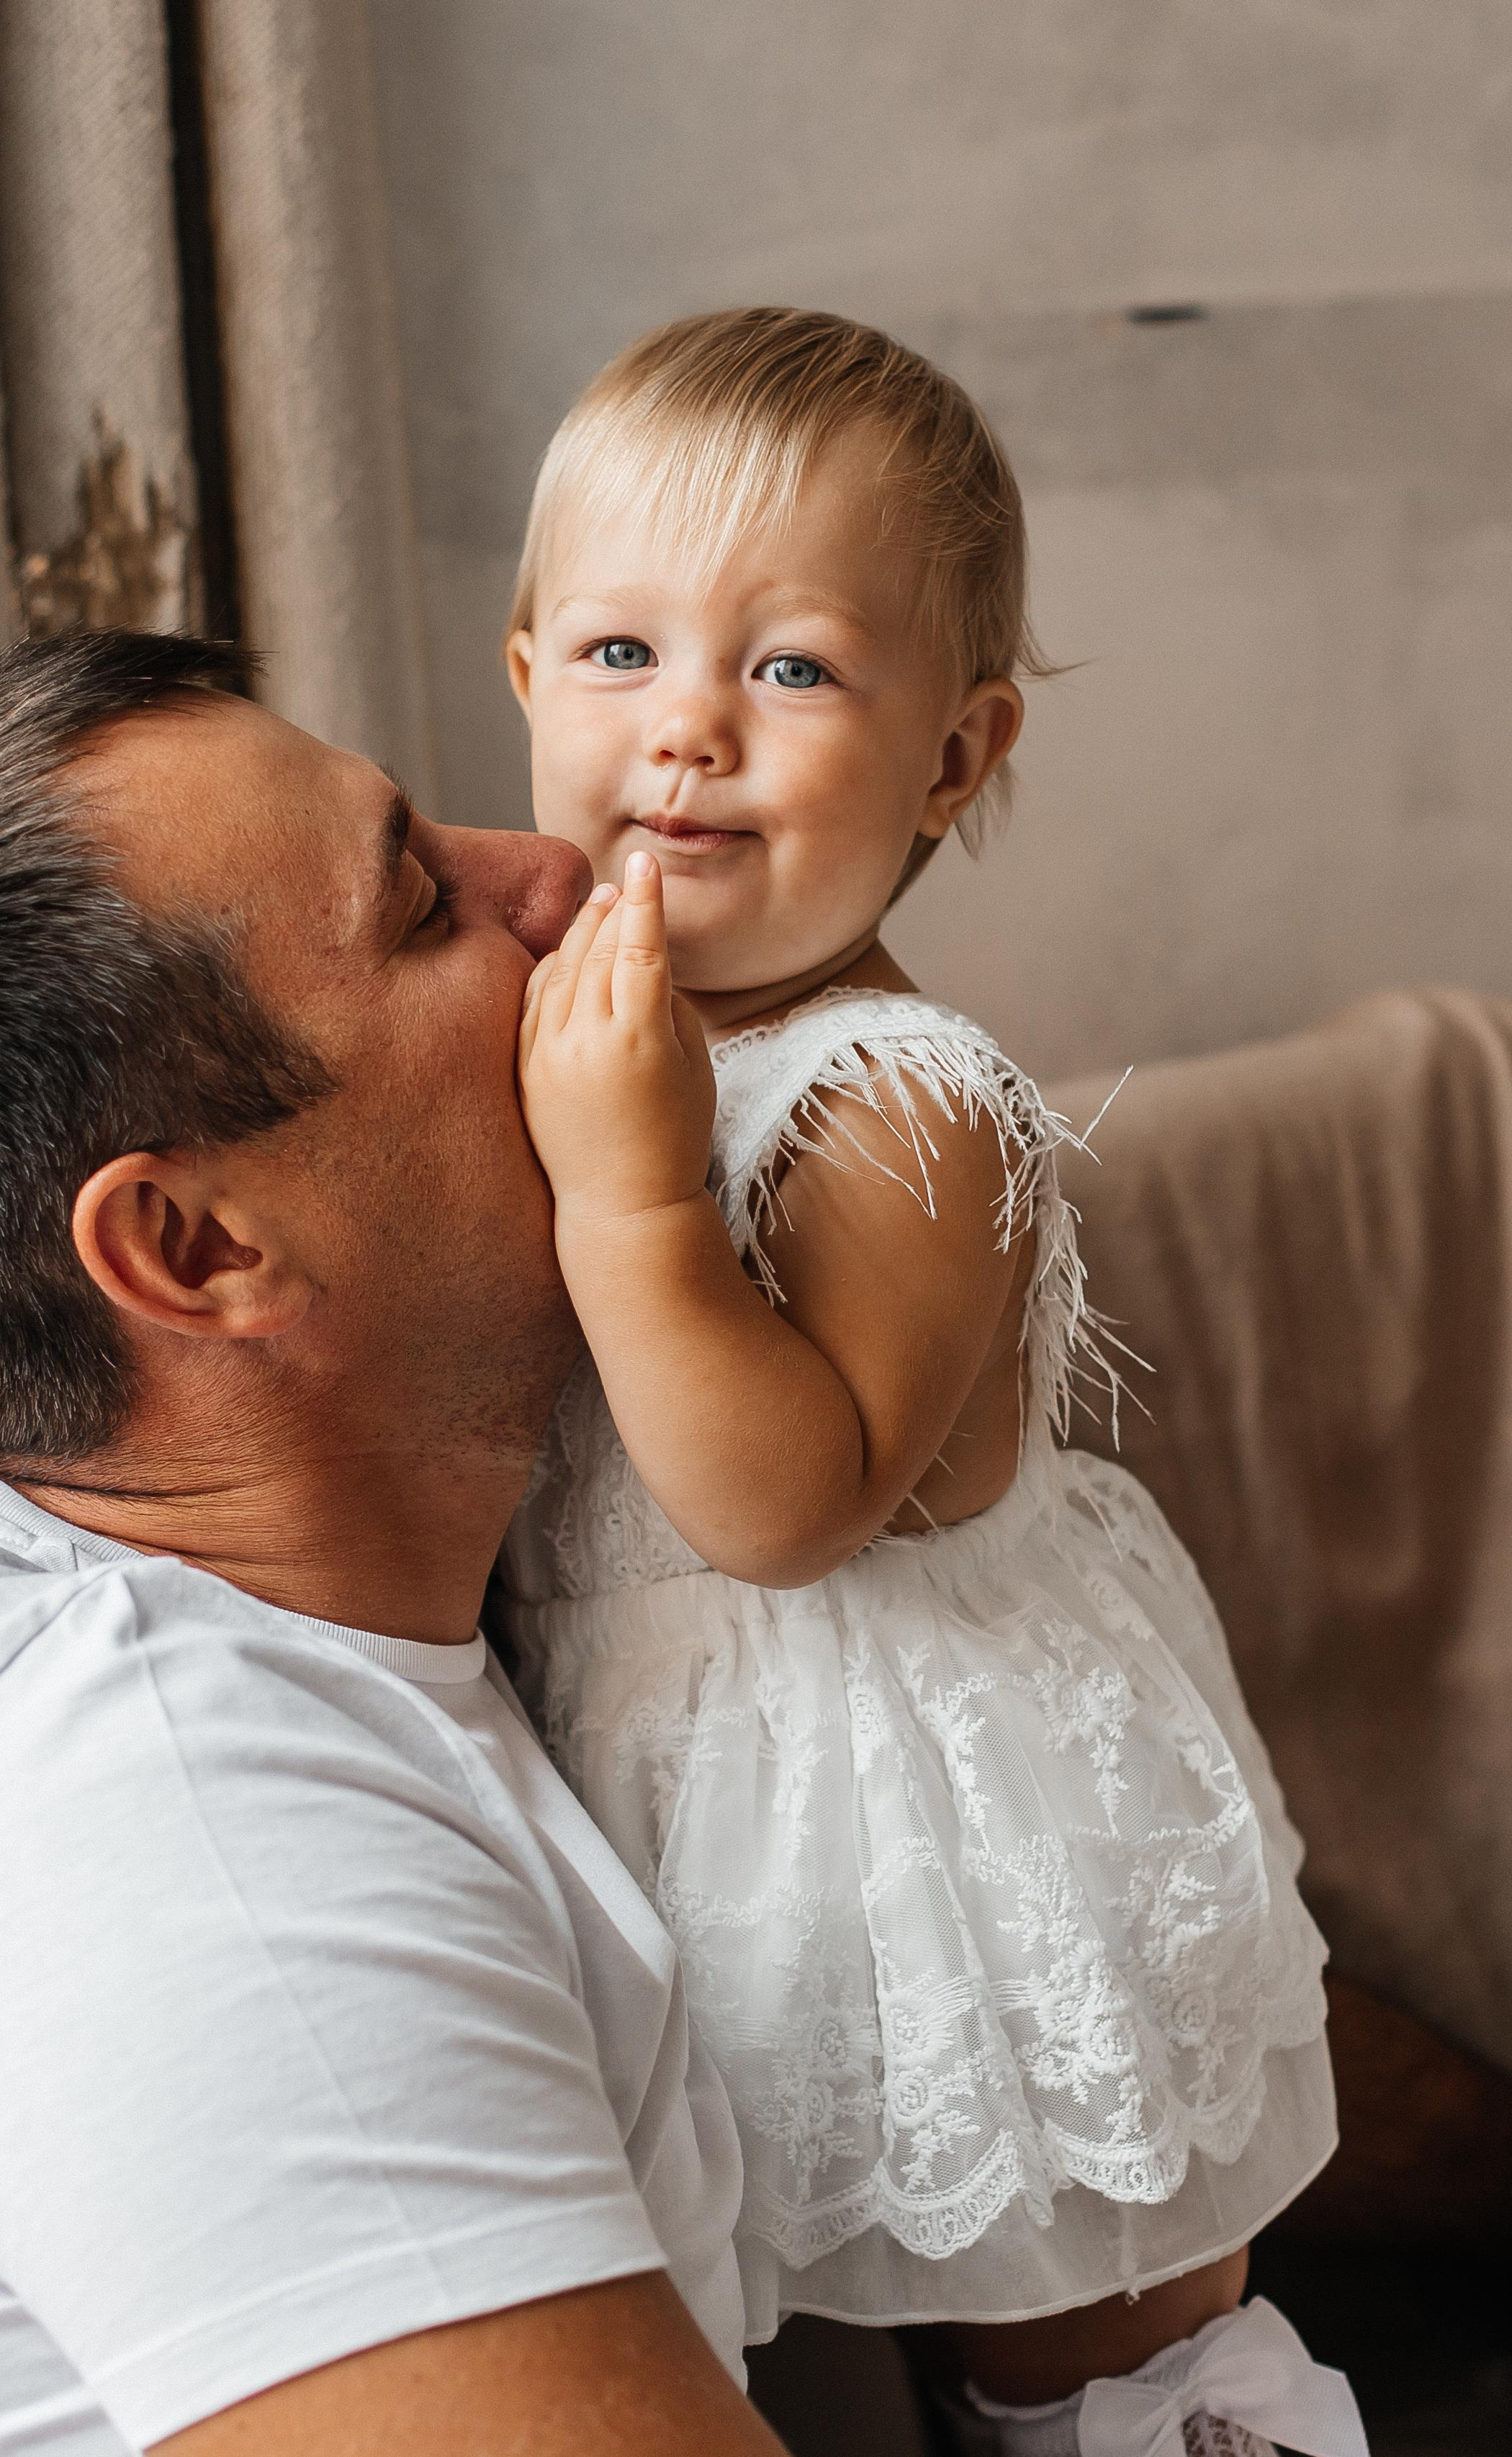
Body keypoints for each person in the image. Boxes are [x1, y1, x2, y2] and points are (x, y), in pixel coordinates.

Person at [497, 307, 1367, 2457]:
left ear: (953, 758)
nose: (685, 727)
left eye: (788, 669)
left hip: (941, 1863)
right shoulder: (581, 1021)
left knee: (1083, 2384)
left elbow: (779, 1503)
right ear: (523, 678)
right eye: (619, 654)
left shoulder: (901, 1096)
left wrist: (624, 1204)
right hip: (681, 1844)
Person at [0, 632, 788, 2456]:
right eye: (419, 903)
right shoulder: (163, 1852)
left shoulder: (362, 1555)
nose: (551, 872)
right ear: (199, 1247)